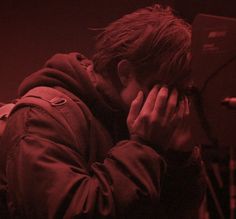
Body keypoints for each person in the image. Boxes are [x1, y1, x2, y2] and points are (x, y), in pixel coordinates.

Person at [0, 4, 205, 219]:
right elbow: (73, 212)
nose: (175, 104)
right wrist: (144, 147)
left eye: (182, 92)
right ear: (125, 73)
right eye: (167, 89)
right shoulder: (41, 120)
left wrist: (178, 159)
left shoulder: (131, 117)